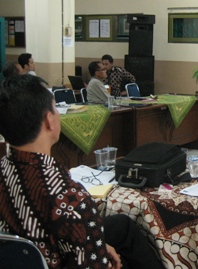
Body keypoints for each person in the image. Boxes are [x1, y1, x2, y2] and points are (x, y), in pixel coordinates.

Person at [0, 75, 164, 269]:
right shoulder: (69, 197)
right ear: (48, 120)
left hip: (19, 254)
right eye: (55, 108)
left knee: (121, 225)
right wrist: (99, 252)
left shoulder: (5, 167)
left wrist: (98, 244)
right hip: (54, 258)